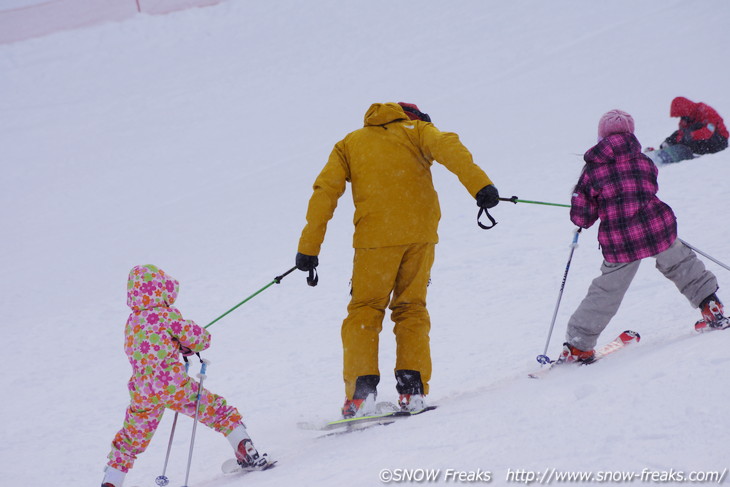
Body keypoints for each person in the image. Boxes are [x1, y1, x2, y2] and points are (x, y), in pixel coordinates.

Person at [294, 102, 499, 418]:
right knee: (411, 308)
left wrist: (309, 248)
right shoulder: (417, 131)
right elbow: (451, 149)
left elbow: (325, 192)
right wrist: (481, 186)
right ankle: (412, 390)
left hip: (375, 241)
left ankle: (361, 396)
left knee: (365, 310)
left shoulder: (350, 143)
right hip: (420, 235)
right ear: (410, 116)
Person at [558, 110, 728, 365]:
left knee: (608, 291)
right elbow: (648, 187)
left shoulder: (593, 170)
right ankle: (710, 305)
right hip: (656, 227)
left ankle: (579, 346)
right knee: (682, 264)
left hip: (621, 241)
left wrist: (586, 210)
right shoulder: (644, 161)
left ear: (601, 136)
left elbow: (583, 215)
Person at [101, 265, 272, 487]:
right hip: (173, 385)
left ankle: (112, 480)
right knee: (217, 410)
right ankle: (245, 448)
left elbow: (148, 349)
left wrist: (175, 346)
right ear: (161, 290)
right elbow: (200, 339)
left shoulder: (132, 322)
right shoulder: (166, 315)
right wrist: (187, 342)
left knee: (131, 438)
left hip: (142, 392)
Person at [660, 96, 728, 156]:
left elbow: (709, 131)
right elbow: (682, 133)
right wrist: (675, 139)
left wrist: (691, 136)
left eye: (682, 115)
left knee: (694, 129)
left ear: (686, 111)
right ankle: (666, 146)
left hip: (719, 141)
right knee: (680, 133)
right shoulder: (686, 119)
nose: (682, 118)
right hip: (703, 142)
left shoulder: (706, 111)